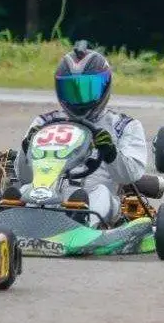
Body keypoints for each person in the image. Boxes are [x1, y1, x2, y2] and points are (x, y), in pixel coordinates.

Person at [11, 41, 147, 227]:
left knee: (101, 193)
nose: (79, 99)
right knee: (25, 188)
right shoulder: (43, 123)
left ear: (105, 86)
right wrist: (26, 150)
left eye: (87, 89)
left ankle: (82, 226)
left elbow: (130, 176)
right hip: (49, 193)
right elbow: (25, 177)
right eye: (72, 90)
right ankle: (12, 221)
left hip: (95, 200)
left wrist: (111, 153)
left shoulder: (124, 126)